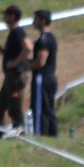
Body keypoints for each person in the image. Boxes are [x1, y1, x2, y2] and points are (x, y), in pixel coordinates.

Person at [0, 4, 31, 140]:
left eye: (5, 15)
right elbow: (18, 51)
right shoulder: (14, 32)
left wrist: (15, 63)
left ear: (12, 17)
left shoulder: (18, 31)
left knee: (15, 110)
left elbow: (28, 48)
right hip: (11, 78)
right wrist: (4, 52)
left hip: (15, 78)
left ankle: (20, 136)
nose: (3, 17)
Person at [29, 9, 58, 137]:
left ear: (42, 20)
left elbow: (41, 62)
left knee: (40, 110)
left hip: (42, 79)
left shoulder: (44, 40)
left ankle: (41, 136)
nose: (33, 22)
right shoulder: (50, 38)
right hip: (49, 78)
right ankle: (52, 135)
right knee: (48, 109)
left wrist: (27, 66)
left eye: (35, 19)